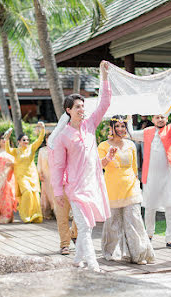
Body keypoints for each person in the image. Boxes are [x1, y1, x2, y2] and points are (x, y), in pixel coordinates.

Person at [50, 61, 111, 272]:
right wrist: (58, 192)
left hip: (92, 184)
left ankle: (77, 259)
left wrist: (104, 76)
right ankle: (93, 264)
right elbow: (58, 167)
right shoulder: (63, 137)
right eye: (77, 107)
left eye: (83, 106)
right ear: (68, 110)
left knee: (90, 225)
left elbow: (104, 103)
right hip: (74, 188)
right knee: (85, 227)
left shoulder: (90, 126)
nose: (82, 110)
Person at [127, 104, 171, 250]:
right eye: (157, 117)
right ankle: (148, 234)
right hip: (151, 175)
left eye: (162, 117)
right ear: (153, 119)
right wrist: (129, 119)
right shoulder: (147, 131)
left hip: (168, 175)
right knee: (149, 206)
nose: (160, 119)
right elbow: (132, 134)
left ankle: (170, 239)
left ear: (166, 118)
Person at [98, 115, 155, 265]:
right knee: (113, 222)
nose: (121, 129)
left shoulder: (130, 145)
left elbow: (134, 168)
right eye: (117, 126)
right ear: (112, 128)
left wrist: (137, 183)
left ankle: (139, 254)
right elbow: (98, 166)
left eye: (123, 126)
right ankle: (110, 252)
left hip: (131, 187)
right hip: (112, 188)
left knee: (134, 220)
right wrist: (109, 157)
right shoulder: (103, 146)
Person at [5, 123, 45, 223]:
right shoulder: (16, 151)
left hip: (32, 175)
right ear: (19, 141)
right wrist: (7, 139)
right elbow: (8, 149)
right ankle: (25, 215)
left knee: (34, 194)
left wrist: (42, 129)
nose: (26, 141)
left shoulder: (31, 148)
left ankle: (34, 215)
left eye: (27, 140)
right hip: (21, 176)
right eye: (24, 140)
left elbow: (40, 140)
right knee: (27, 192)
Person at [37, 131, 55, 220]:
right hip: (45, 175)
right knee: (46, 193)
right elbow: (39, 163)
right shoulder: (42, 150)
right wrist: (40, 173)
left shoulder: (57, 149)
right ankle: (47, 213)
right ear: (46, 139)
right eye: (48, 138)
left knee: (55, 193)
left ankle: (57, 212)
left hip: (55, 175)